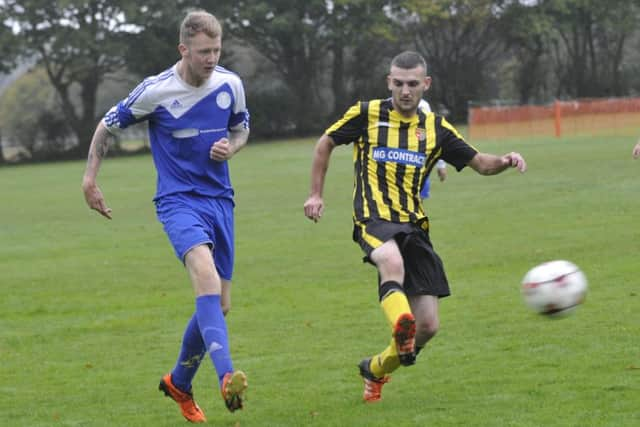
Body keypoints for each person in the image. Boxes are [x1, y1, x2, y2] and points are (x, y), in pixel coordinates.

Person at [303, 51, 526, 403]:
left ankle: (375, 368)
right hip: (373, 216)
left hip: (414, 225)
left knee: (429, 327)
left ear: (426, 84)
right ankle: (400, 322)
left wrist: (505, 160)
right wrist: (315, 194)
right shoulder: (366, 114)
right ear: (388, 82)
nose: (405, 91)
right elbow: (325, 143)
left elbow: (481, 163)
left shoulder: (437, 128)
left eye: (412, 84)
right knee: (390, 263)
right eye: (398, 83)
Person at [82, 10, 249, 423]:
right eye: (203, 52)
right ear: (183, 49)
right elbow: (106, 126)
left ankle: (178, 382)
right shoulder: (156, 91)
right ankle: (228, 375)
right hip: (178, 202)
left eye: (216, 50)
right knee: (206, 278)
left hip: (221, 201)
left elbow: (242, 128)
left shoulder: (230, 84)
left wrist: (233, 145)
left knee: (220, 305)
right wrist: (90, 180)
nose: (211, 58)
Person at [417, 100, 447, 200]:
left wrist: (441, 165)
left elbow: (433, 140)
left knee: (418, 203)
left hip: (419, 169)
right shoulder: (390, 104)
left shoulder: (423, 105)